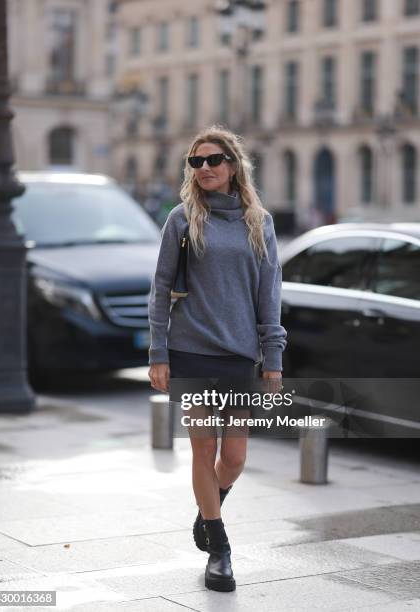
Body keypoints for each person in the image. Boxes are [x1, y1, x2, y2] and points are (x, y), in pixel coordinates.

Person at [148, 125, 287, 592]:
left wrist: (273, 359)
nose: (204, 169)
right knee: (203, 450)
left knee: (235, 456)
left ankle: (208, 515)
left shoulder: (258, 221)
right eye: (196, 162)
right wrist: (158, 352)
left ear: (232, 166)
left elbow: (270, 296)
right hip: (191, 351)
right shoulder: (182, 219)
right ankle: (220, 549)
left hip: (238, 355)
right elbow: (160, 289)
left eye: (212, 161)